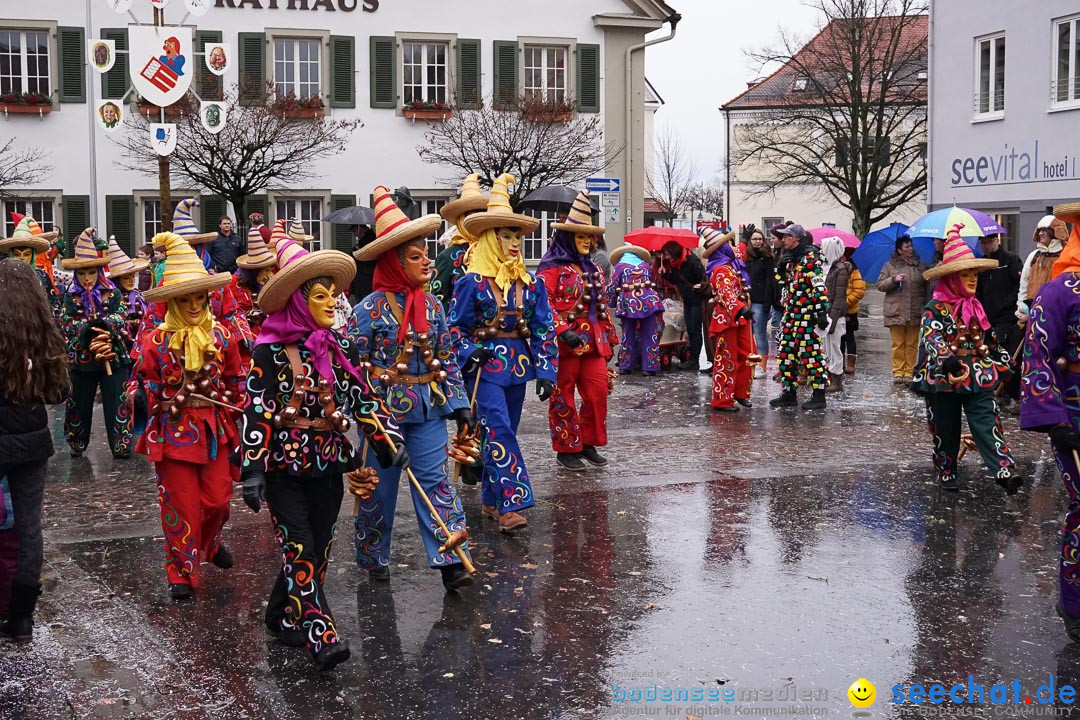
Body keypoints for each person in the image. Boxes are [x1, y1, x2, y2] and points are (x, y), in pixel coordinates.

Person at [240, 232, 401, 671]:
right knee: (299, 549)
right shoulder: (268, 352)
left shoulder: (338, 345)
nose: (333, 302)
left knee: (320, 547)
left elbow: (363, 396)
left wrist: (387, 441)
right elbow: (256, 409)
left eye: (334, 294)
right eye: (320, 295)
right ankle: (321, 636)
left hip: (328, 461)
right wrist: (251, 469)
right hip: (281, 467)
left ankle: (281, 615)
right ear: (297, 299)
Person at [350, 186, 475, 591]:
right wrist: (372, 422)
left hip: (429, 409)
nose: (426, 263)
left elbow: (448, 356)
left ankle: (451, 560)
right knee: (377, 489)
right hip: (383, 416)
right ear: (394, 262)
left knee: (436, 480)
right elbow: (355, 370)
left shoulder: (434, 307)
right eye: (416, 257)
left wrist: (459, 405)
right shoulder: (366, 312)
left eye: (426, 254)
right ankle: (373, 557)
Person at [130, 232, 244, 600]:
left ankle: (208, 546)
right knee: (180, 505)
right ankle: (180, 571)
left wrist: (246, 417)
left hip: (214, 430)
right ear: (172, 302)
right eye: (185, 299)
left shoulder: (223, 337)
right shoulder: (155, 342)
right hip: (173, 432)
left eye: (200, 297)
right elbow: (139, 383)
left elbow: (235, 379)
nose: (194, 305)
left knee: (217, 501)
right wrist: (150, 401)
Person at [448, 173, 557, 531]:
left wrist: (546, 371)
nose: (513, 243)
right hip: (483, 369)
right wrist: (468, 351)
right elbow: (453, 329)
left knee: (504, 429)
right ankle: (512, 504)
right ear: (490, 240)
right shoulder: (470, 282)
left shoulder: (532, 283)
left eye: (516, 236)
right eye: (505, 236)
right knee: (498, 431)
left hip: (518, 368)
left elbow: (543, 327)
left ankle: (492, 501)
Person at [912, 224, 1020, 493]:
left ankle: (1004, 471)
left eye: (974, 274)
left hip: (978, 374)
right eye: (965, 274)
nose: (973, 279)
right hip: (944, 377)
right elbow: (930, 337)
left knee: (987, 421)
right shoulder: (934, 307)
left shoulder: (976, 306)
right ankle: (947, 470)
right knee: (945, 427)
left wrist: (1007, 367)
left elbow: (989, 340)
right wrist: (946, 358)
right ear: (951, 277)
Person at [1019, 201, 1080, 643]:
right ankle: (1075, 605)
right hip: (1074, 418)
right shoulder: (1060, 291)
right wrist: (1054, 419)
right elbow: (1038, 354)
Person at [0, 259, 69, 641]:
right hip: (32, 444)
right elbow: (60, 393)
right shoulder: (42, 334)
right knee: (29, 528)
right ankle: (22, 617)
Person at [537, 189, 617, 470]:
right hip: (566, 344)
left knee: (597, 393)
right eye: (580, 237)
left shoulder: (594, 267)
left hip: (593, 341)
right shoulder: (551, 268)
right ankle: (566, 447)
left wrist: (609, 335)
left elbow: (601, 305)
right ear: (567, 238)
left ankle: (587, 442)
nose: (586, 242)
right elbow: (541, 302)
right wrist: (561, 329)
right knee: (563, 395)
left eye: (589, 237)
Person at [59, 228, 134, 459]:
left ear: (100, 270)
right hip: (82, 357)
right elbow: (65, 321)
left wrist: (106, 325)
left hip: (113, 353)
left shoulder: (112, 293)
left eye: (92, 272)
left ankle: (121, 445)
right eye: (82, 273)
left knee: (117, 400)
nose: (88, 278)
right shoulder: (70, 296)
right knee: (78, 402)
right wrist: (86, 330)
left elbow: (122, 315)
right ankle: (77, 442)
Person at [770, 224, 830, 410]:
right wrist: (780, 269)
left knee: (811, 355)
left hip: (806, 314)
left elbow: (818, 286)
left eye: (785, 237)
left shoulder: (810, 260)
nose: (782, 240)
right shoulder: (790, 260)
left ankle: (819, 395)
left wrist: (820, 311)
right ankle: (789, 393)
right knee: (786, 354)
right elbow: (783, 283)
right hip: (791, 313)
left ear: (794, 238)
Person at [700, 228, 753, 412]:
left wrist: (744, 241)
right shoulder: (721, 269)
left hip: (739, 316)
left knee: (746, 354)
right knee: (727, 358)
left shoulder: (729, 263)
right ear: (722, 249)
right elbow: (726, 293)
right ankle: (722, 400)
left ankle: (739, 392)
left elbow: (739, 252)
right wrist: (741, 308)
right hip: (728, 318)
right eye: (728, 245)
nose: (733, 248)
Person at [976, 232, 1023, 412]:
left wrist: (1006, 303)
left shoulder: (1010, 260)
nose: (986, 246)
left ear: (997, 241)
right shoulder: (982, 263)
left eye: (989, 242)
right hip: (987, 318)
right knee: (989, 354)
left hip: (1006, 317)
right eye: (983, 243)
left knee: (1006, 355)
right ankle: (995, 389)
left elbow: (1019, 286)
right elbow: (978, 288)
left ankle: (1009, 393)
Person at [877, 235, 930, 384]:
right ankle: (898, 372)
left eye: (911, 246)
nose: (911, 249)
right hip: (896, 310)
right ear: (900, 250)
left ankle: (909, 372)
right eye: (907, 246)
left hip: (916, 310)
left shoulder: (921, 265)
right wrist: (893, 280)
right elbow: (880, 285)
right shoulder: (889, 265)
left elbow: (928, 285)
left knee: (912, 344)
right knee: (898, 344)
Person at [430, 174, 487, 310]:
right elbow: (438, 302)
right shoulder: (448, 257)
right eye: (471, 218)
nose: (477, 223)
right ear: (461, 221)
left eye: (481, 217)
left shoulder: (493, 252)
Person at [606, 244, 663, 376]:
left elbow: (612, 286)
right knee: (650, 333)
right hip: (649, 301)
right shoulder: (645, 266)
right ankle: (650, 366)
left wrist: (612, 302)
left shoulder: (620, 267)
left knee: (628, 334)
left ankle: (626, 365)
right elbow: (651, 281)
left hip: (629, 303)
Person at [658, 239, 709, 372]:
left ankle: (694, 360)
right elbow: (677, 280)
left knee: (695, 330)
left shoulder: (691, 261)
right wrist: (665, 275)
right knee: (690, 329)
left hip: (697, 299)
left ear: (674, 252)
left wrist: (700, 286)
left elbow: (703, 278)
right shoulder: (676, 264)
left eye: (667, 254)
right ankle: (691, 358)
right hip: (687, 300)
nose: (666, 257)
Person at [0, 216, 60, 316]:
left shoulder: (42, 276)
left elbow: (53, 303)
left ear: (33, 255)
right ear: (11, 255)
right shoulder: (4, 277)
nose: (22, 258)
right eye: (17, 254)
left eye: (26, 254)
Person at [1016, 215, 1068, 324]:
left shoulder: (1066, 255)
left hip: (1058, 314)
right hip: (1033, 312)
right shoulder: (1034, 256)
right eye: (1039, 230)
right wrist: (1022, 307)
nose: (1040, 233)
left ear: (1054, 232)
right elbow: (1024, 283)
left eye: (1044, 230)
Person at [103, 235, 150, 353]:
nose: (132, 280)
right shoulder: (110, 296)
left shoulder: (139, 295)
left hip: (140, 338)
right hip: (120, 339)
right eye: (126, 277)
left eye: (133, 276)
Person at [821, 235, 852, 393]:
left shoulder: (840, 269)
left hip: (835, 315)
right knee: (826, 346)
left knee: (835, 347)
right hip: (826, 313)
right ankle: (828, 376)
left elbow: (839, 298)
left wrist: (832, 320)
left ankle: (836, 379)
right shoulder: (827, 268)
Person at [745, 226, 776, 379]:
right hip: (747, 301)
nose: (757, 242)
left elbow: (770, 281)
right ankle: (753, 365)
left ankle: (762, 367)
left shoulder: (768, 258)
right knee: (749, 336)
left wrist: (767, 302)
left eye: (759, 239)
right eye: (754, 239)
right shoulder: (747, 257)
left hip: (760, 301)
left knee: (760, 334)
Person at [840, 247, 865, 375]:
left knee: (849, 337)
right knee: (839, 338)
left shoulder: (855, 272)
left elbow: (859, 291)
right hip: (838, 311)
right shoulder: (838, 270)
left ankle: (850, 364)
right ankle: (840, 363)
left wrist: (846, 302)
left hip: (850, 311)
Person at [350, 224, 377, 302]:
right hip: (361, 280)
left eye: (354, 230)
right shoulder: (362, 241)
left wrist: (356, 250)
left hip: (365, 280)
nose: (353, 233)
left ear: (361, 229)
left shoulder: (368, 240)